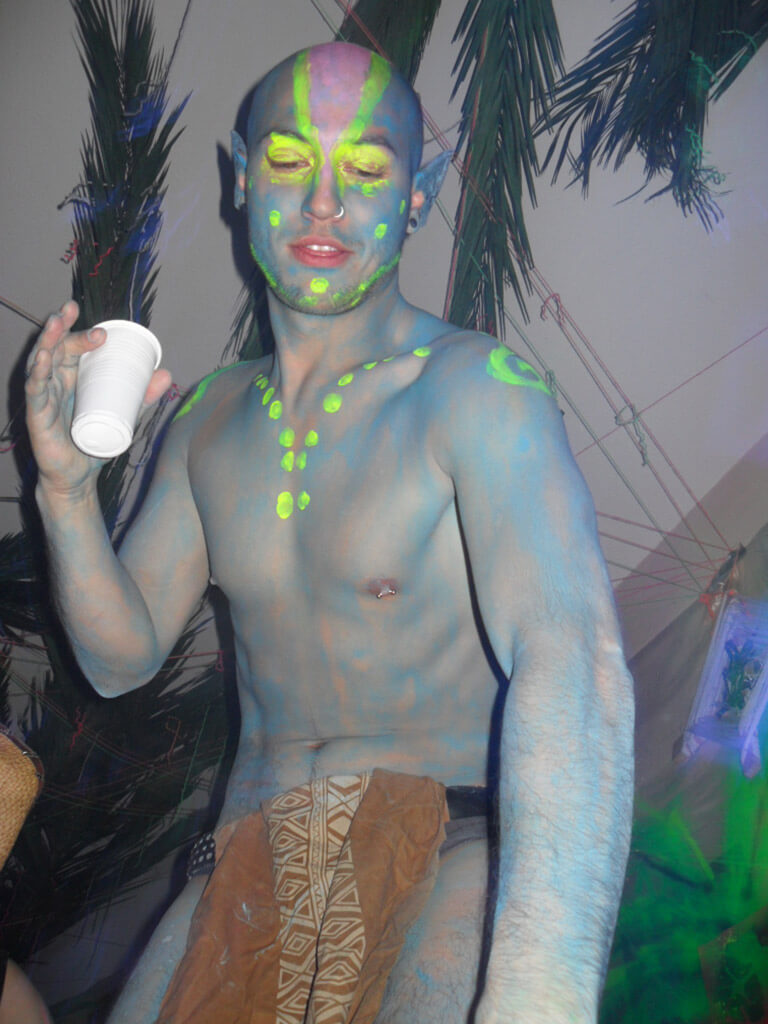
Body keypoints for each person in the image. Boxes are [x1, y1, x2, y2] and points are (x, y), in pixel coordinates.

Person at [25, 41, 634, 1024]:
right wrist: (63, 494)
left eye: (365, 169)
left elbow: (573, 654)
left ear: (420, 191)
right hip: (244, 868)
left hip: (446, 851)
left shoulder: (481, 390)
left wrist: (541, 992)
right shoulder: (207, 418)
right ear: (241, 176)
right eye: (289, 160)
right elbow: (117, 657)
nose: (322, 203)